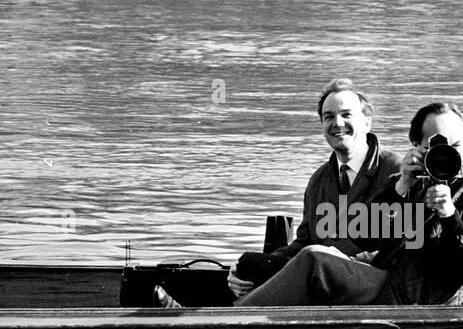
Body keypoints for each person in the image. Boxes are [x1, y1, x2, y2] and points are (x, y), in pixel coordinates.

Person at [149, 78, 400, 308]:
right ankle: (201, 310)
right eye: (328, 116)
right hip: (322, 277)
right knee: (250, 264)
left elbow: (407, 244)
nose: (337, 124)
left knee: (314, 258)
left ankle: (221, 321)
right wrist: (249, 269)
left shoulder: (395, 171)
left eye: (346, 115)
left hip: (376, 281)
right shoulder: (320, 180)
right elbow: (305, 241)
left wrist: (349, 257)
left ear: (367, 121)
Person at [236, 101, 463, 307]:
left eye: (455, 146)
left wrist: (450, 216)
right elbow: (363, 235)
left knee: (314, 260)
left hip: (430, 303)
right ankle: (240, 316)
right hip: (394, 284)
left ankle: (235, 321)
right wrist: (401, 188)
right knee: (315, 255)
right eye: (436, 146)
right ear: (416, 146)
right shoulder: (409, 181)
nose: (447, 156)